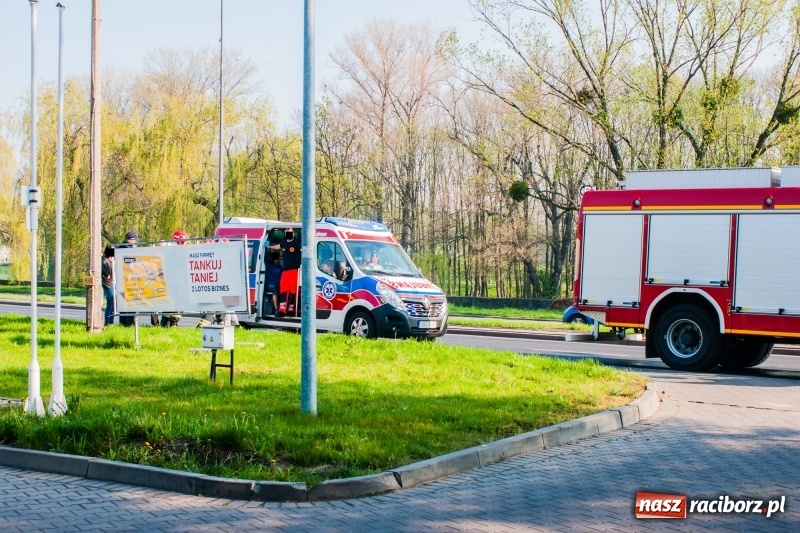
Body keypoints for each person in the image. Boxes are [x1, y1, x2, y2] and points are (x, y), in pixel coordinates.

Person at [269, 227, 301, 316]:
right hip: (285, 270)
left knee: (293, 290)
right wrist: (268, 246)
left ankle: (291, 309)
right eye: (287, 233)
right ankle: (282, 309)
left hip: (294, 270)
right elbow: (279, 246)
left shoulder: (297, 242)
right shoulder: (284, 241)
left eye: (290, 233)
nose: (289, 235)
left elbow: (303, 251)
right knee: (283, 289)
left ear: (293, 233)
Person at [118, 231, 137, 326]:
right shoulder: (126, 248)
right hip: (127, 279)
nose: (133, 242)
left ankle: (124, 322)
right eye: (132, 240)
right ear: (127, 239)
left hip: (124, 279)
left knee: (125, 302)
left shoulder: (120, 247)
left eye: (134, 240)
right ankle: (128, 322)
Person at [101, 244, 115, 326]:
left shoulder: (111, 259)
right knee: (113, 301)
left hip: (111, 282)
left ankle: (108, 321)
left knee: (110, 303)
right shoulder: (105, 260)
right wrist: (107, 274)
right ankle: (109, 321)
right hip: (108, 283)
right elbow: (102, 268)